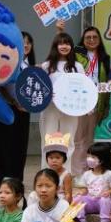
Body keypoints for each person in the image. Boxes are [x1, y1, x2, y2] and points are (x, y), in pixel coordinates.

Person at [0, 31, 34, 187]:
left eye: (29, 42)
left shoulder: (30, 65)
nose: (26, 45)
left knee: (20, 144)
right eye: (23, 41)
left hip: (24, 111)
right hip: (5, 108)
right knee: (4, 145)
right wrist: (14, 102)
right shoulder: (7, 62)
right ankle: (2, 181)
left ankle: (17, 180)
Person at [39, 33, 85, 169]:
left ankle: (66, 174)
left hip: (70, 109)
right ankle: (46, 173)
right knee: (48, 140)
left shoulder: (77, 66)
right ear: (55, 46)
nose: (64, 46)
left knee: (68, 140)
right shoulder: (46, 65)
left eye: (67, 43)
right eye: (61, 43)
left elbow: (83, 87)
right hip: (50, 108)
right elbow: (41, 87)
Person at [71, 26, 111, 175]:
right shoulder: (76, 54)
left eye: (95, 37)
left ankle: (88, 172)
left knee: (89, 139)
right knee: (77, 138)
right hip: (79, 100)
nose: (92, 40)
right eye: (88, 37)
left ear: (99, 40)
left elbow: (106, 83)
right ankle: (76, 172)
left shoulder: (104, 58)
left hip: (95, 101)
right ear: (83, 40)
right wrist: (59, 31)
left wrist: (105, 105)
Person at [71, 143, 111, 222]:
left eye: (93, 157)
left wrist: (109, 192)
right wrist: (80, 193)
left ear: (102, 159)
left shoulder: (109, 174)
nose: (89, 159)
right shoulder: (87, 174)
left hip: (102, 202)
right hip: (90, 201)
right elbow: (85, 190)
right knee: (76, 199)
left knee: (106, 200)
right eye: (88, 156)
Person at [42, 132, 73, 202]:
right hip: (48, 196)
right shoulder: (45, 173)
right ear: (47, 159)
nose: (54, 160)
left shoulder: (66, 175)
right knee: (33, 195)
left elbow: (68, 194)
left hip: (60, 199)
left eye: (57, 158)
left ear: (64, 159)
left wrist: (65, 207)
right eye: (51, 158)